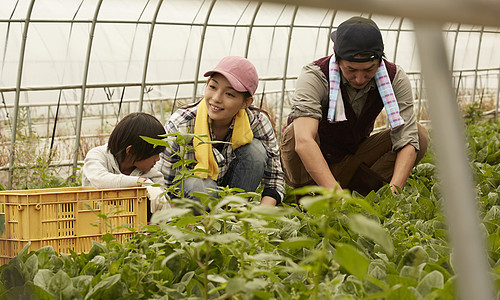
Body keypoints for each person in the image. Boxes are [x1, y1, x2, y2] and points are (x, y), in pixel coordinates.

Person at [280, 16, 429, 196]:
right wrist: (336, 195)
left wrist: (393, 194)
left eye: (369, 70)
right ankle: (313, 196)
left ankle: (363, 194)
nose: (360, 79)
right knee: (296, 132)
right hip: (310, 165)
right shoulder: (315, 75)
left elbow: (406, 138)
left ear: (380, 59)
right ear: (336, 54)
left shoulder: (394, 77)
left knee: (418, 135)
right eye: (351, 69)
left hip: (351, 157)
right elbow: (304, 141)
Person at [159, 56, 285, 210]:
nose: (216, 99)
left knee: (255, 151)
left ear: (246, 103)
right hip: (189, 203)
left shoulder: (256, 122)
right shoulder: (181, 125)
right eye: (213, 87)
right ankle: (204, 229)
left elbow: (275, 178)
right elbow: (164, 186)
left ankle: (235, 217)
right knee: (201, 186)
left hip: (233, 198)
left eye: (229, 94)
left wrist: (260, 215)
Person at [82, 112, 170, 220]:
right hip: (95, 223)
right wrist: (142, 183)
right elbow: (100, 179)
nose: (158, 159)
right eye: (154, 154)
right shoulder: (98, 156)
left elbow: (165, 211)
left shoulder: (152, 174)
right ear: (131, 151)